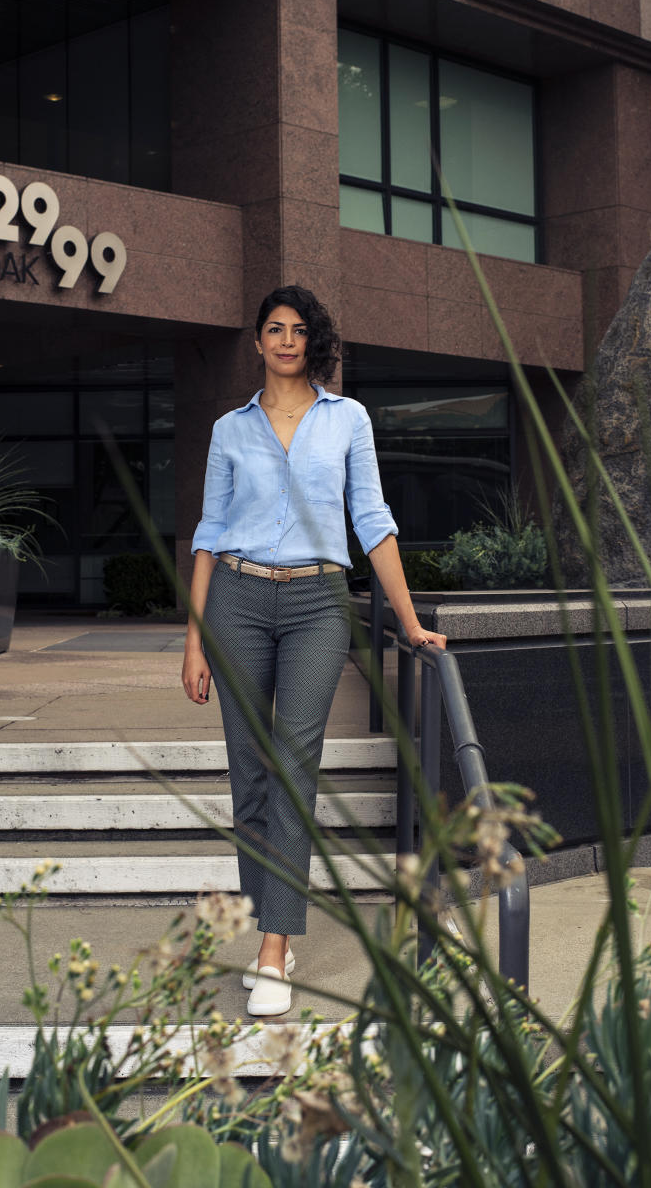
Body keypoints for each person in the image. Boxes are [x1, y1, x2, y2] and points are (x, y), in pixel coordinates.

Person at [182, 285, 446, 1016]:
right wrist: (193, 641)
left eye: (300, 330)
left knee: (293, 766)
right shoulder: (230, 430)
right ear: (259, 342)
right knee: (251, 776)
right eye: (275, 328)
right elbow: (208, 534)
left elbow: (371, 518)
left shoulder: (347, 420)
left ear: (313, 341)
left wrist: (409, 621)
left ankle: (272, 948)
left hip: (317, 605)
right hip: (235, 600)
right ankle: (278, 927)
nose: (288, 340)